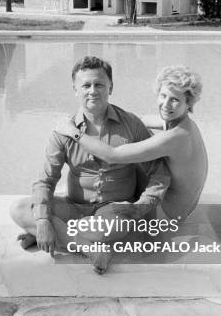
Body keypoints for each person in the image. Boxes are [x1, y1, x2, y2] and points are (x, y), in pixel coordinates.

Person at [10, 56, 171, 274]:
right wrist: (42, 222)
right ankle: (87, 248)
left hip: (112, 212)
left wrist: (141, 206)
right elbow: (46, 180)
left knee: (116, 227)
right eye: (86, 85)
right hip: (74, 207)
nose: (92, 91)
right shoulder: (63, 130)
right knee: (19, 209)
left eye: (99, 84)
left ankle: (57, 235)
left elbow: (159, 172)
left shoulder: (131, 125)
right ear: (75, 89)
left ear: (110, 87)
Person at [55, 65, 208, 222]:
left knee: (130, 148)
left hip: (167, 213)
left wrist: (74, 132)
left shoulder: (175, 137)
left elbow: (111, 155)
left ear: (189, 103)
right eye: (163, 96)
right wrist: (114, 117)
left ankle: (95, 201)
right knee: (135, 133)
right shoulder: (182, 123)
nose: (165, 104)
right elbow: (138, 120)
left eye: (174, 100)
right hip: (184, 206)